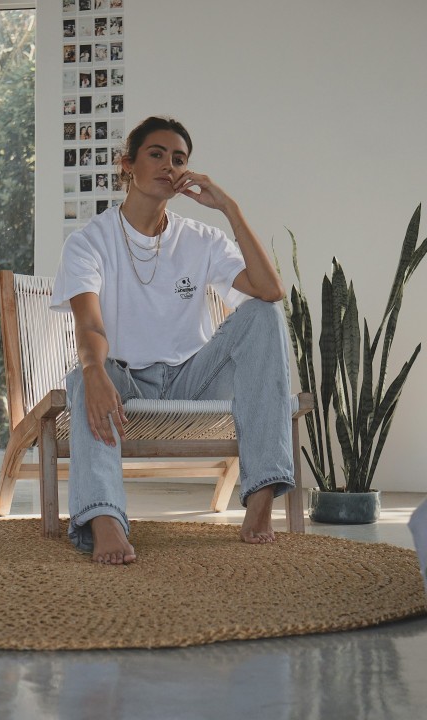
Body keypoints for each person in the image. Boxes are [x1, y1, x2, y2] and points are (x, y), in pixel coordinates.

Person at [51, 116, 295, 566]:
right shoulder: (89, 242)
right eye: (156, 154)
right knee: (85, 377)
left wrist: (229, 207)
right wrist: (93, 370)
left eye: (178, 158)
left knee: (263, 313)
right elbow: (89, 326)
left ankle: (261, 495)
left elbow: (270, 290)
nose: (169, 165)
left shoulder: (202, 238)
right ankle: (104, 520)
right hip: (126, 382)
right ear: (128, 165)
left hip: (193, 380)